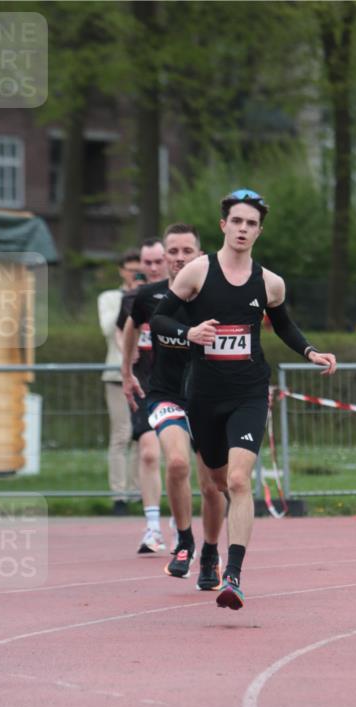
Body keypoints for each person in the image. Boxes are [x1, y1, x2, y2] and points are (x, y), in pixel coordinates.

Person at [151, 188, 337, 609]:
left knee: (238, 481)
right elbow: (160, 317)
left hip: (250, 392)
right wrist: (189, 333)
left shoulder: (269, 282)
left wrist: (311, 352)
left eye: (251, 223)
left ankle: (233, 575)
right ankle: (210, 551)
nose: (243, 229)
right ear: (223, 225)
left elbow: (285, 325)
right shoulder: (197, 272)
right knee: (215, 484)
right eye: (236, 221)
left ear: (259, 231)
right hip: (203, 395)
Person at [122, 224, 226, 584]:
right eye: (173, 252)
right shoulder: (149, 296)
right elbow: (131, 328)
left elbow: (243, 344)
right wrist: (126, 372)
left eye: (187, 251)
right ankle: (184, 541)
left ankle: (211, 552)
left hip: (209, 395)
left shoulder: (216, 296)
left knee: (213, 485)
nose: (179, 258)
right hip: (166, 393)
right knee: (176, 462)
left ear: (200, 254)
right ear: (163, 256)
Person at [116, 238, 168, 552]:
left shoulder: (185, 292)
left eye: (156, 261)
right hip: (144, 383)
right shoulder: (134, 298)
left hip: (178, 384)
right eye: (146, 263)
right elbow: (121, 328)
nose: (151, 267)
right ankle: (152, 528)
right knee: (149, 452)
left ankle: (181, 524)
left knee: (179, 460)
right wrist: (128, 353)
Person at [97, 248, 140, 515]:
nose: (135, 273)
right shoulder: (110, 297)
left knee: (143, 437)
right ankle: (119, 495)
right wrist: (130, 298)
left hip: (144, 374)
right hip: (116, 374)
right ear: (121, 270)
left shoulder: (150, 293)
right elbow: (106, 328)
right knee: (121, 435)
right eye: (130, 268)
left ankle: (138, 492)